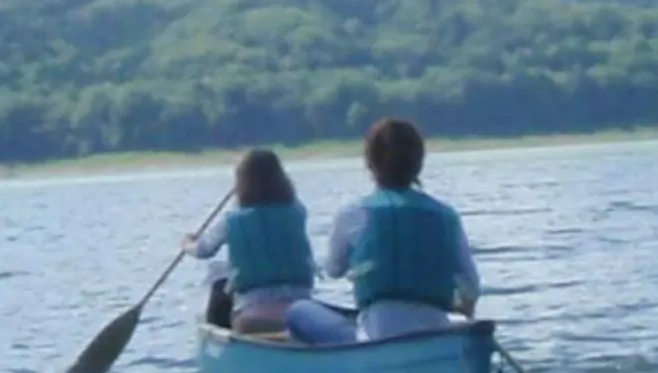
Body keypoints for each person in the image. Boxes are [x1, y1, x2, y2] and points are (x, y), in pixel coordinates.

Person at [286, 118, 480, 346]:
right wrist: (462, 306)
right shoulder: (447, 216)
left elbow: (334, 270)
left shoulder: (351, 213)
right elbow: (471, 287)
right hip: (434, 336)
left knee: (298, 310)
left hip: (374, 339)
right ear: (418, 162)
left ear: (370, 164)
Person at [186, 148, 316, 335]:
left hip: (253, 316)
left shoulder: (232, 220)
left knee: (219, 277)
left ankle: (222, 341)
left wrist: (187, 243)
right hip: (302, 308)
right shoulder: (298, 211)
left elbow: (203, 250)